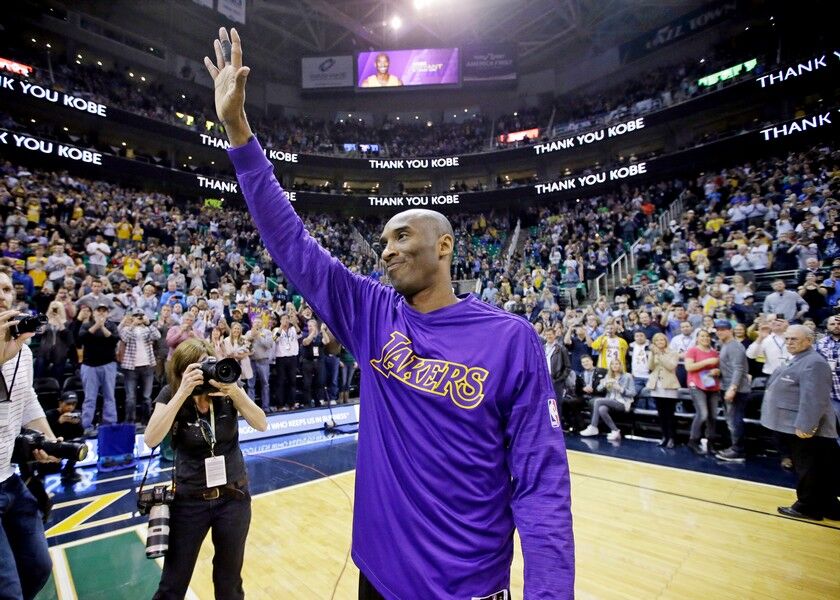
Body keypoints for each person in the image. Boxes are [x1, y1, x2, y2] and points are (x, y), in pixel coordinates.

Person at [206, 27, 573, 598]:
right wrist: (237, 130)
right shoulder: (371, 313)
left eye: (403, 236)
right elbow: (292, 242)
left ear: (444, 245)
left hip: (466, 588)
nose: (387, 250)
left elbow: (541, 483)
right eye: (383, 241)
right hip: (376, 576)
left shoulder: (511, 339)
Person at [144, 338, 267, 599]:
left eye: (207, 364)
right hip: (189, 501)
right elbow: (151, 439)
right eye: (195, 368)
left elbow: (261, 424)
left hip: (233, 497)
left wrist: (235, 392)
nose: (204, 373)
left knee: (229, 581)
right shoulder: (171, 393)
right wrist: (182, 393)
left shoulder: (227, 390)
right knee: (173, 583)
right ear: (182, 371)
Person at [0, 271, 58, 599]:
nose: (2, 295)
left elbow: (26, 399)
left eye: (6, 288)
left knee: (38, 567)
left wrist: (48, 438)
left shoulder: (24, 351)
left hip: (9, 479)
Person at [761, 326, 840, 520]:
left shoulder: (814, 362)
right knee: (821, 467)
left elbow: (814, 398)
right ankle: (830, 507)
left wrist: (806, 425)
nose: (789, 342)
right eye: (787, 339)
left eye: (794, 339)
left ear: (809, 341)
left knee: (808, 468)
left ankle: (807, 507)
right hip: (797, 424)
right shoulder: (800, 358)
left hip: (807, 427)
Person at [78, 303, 120, 436]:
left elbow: (114, 340)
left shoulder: (112, 326)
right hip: (89, 366)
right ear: (93, 312)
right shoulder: (86, 325)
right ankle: (87, 426)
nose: (101, 313)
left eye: (104, 311)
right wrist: (97, 325)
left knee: (109, 396)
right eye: (99, 311)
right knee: (89, 398)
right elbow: (82, 339)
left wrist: (102, 327)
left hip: (108, 364)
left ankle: (110, 424)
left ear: (107, 313)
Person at [713, 321, 751, 462]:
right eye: (718, 329)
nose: (720, 332)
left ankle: (738, 450)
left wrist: (733, 388)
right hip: (727, 386)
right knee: (731, 420)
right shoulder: (725, 345)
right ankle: (735, 448)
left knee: (735, 420)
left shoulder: (735, 346)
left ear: (730, 330)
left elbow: (738, 369)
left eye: (723, 329)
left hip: (736, 389)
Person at [118, 308, 161, 425]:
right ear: (132, 317)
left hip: (147, 366)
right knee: (130, 397)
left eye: (141, 315)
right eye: (136, 315)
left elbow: (157, 336)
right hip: (131, 368)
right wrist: (132, 325)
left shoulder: (147, 329)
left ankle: (146, 422)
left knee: (147, 397)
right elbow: (124, 338)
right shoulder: (127, 328)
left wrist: (148, 324)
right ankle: (130, 422)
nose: (139, 317)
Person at [579, 358, 635, 440]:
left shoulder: (627, 376)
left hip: (623, 402)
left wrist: (620, 389)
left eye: (617, 364)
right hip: (610, 400)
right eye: (612, 364)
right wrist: (604, 384)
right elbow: (598, 389)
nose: (614, 366)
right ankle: (615, 431)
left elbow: (633, 393)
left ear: (621, 365)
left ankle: (593, 426)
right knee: (602, 409)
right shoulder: (608, 376)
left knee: (597, 401)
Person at [684, 329, 720, 455]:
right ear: (697, 338)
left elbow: (718, 368)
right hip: (696, 385)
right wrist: (707, 362)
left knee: (713, 416)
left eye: (707, 336)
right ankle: (693, 440)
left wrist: (717, 371)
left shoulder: (714, 352)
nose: (705, 338)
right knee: (703, 414)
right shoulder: (692, 350)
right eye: (702, 336)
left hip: (712, 385)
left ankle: (711, 442)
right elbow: (689, 367)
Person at [646, 332, 680, 448]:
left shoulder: (673, 352)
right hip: (657, 385)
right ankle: (664, 436)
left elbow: (671, 366)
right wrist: (652, 354)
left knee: (669, 414)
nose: (660, 342)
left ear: (666, 341)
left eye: (662, 340)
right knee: (661, 414)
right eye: (657, 340)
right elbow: (650, 367)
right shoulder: (653, 353)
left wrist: (660, 354)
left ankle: (672, 437)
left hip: (669, 385)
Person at [43, 391, 85, 484]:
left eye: (73, 404)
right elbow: (47, 435)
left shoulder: (75, 414)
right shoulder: (50, 414)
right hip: (54, 443)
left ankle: (68, 470)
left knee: (81, 443)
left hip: (68, 442)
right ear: (60, 403)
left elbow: (81, 433)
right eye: (68, 404)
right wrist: (59, 422)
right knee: (52, 468)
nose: (70, 407)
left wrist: (77, 424)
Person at [272, 313, 299, 410]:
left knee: (292, 381)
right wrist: (281, 327)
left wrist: (294, 323)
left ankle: (292, 403)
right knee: (281, 381)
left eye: (287, 319)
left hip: (292, 357)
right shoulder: (276, 329)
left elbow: (300, 334)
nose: (286, 321)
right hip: (281, 358)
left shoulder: (293, 329)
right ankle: (280, 405)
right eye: (283, 319)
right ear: (280, 321)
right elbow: (274, 339)